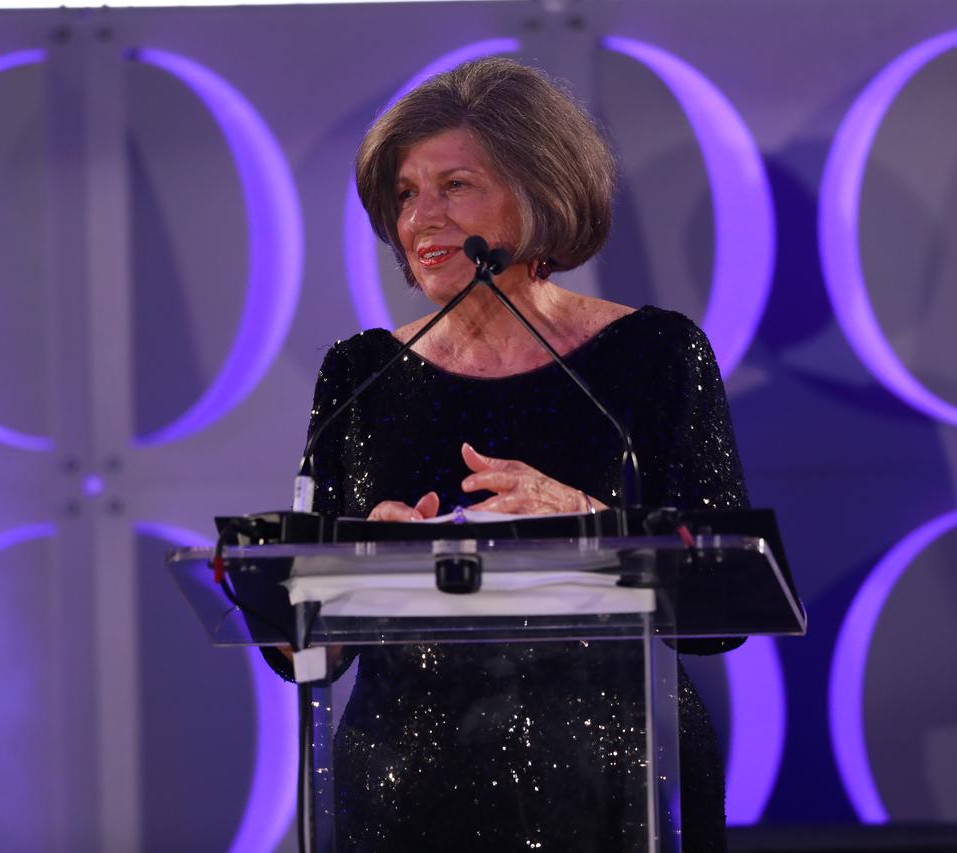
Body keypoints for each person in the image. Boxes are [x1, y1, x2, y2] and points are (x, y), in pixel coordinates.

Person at [280, 57, 748, 852]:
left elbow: (723, 609)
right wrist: (360, 569)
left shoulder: (654, 357)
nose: (420, 218)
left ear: (537, 190)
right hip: (404, 787)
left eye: (454, 185)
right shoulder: (362, 377)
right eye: (403, 194)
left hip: (617, 788)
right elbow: (301, 655)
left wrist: (588, 517)